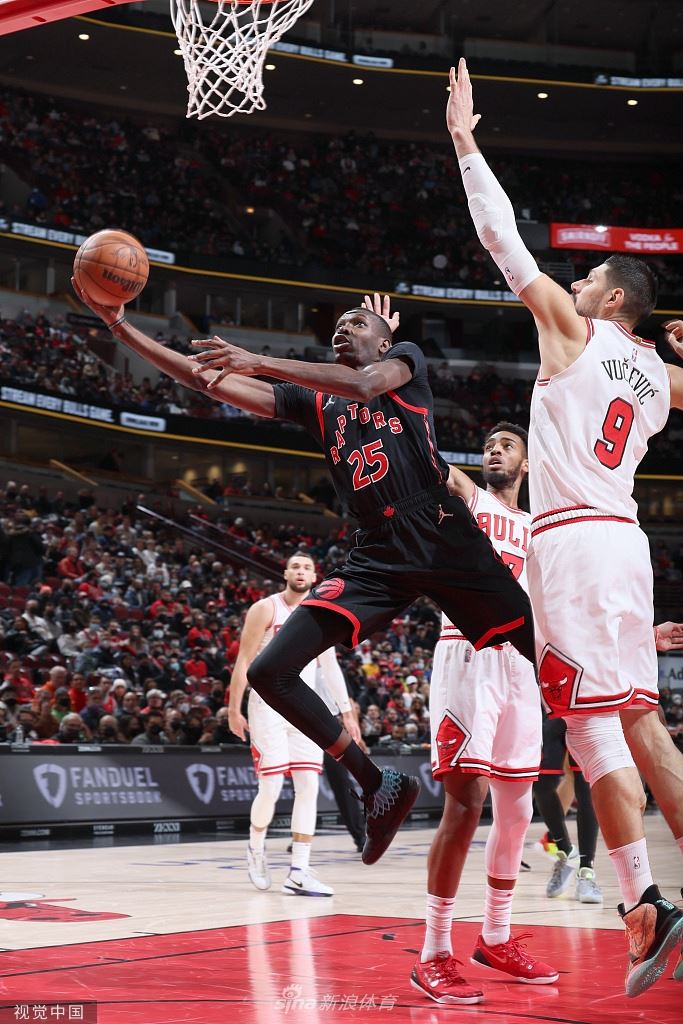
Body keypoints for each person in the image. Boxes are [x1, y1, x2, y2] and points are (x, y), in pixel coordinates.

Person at [72, 277, 536, 867]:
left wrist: (259, 359)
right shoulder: (317, 403)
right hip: (377, 552)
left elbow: (366, 383)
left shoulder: (405, 364)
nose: (343, 327)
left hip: (439, 530)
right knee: (270, 671)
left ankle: (614, 740)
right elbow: (203, 377)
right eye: (337, 324)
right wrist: (119, 327)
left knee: (542, 652)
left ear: (385, 339)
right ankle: (378, 783)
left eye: (357, 322)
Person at [447, 58, 683, 997]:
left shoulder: (573, 331)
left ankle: (644, 905)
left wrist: (465, 143)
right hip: (627, 543)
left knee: (588, 734)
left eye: (588, 277)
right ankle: (645, 905)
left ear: (613, 299)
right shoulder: (658, 379)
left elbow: (501, 240)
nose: (575, 282)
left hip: (573, 541)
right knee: (641, 724)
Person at [412, 422, 557, 1004]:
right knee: (466, 804)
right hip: (468, 654)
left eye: (507, 445)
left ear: (527, 462)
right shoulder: (471, 500)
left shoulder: (539, 528)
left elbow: (558, 607)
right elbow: (432, 465)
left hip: (521, 664)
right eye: (489, 446)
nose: (495, 450)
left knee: (518, 810)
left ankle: (495, 936)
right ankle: (433, 952)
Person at [229, 552, 361, 896]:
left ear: (315, 577)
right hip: (268, 705)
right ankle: (255, 849)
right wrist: (233, 709)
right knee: (271, 787)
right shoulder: (265, 609)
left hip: (305, 706)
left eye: (307, 568)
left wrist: (346, 712)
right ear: (286, 573)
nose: (301, 572)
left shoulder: (322, 614)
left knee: (308, 786)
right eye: (295, 567)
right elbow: (244, 660)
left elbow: (329, 666)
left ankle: (299, 871)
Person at [534, 719, 602, 904]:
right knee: (541, 783)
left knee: (585, 786)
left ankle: (586, 870)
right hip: (551, 712)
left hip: (583, 713)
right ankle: (566, 850)